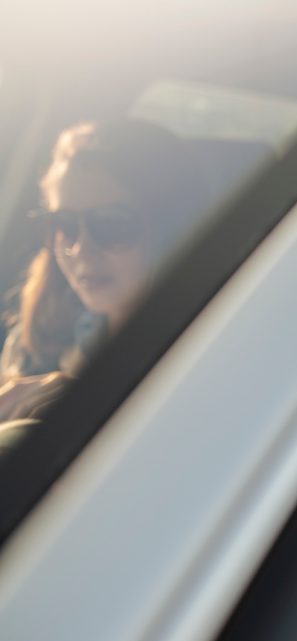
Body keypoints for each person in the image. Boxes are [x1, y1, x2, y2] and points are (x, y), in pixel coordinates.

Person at [0, 119, 206, 422]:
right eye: (64, 225)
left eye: (112, 224)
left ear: (173, 226)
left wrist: (78, 399)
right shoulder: (44, 329)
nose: (81, 249)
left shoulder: (205, 351)